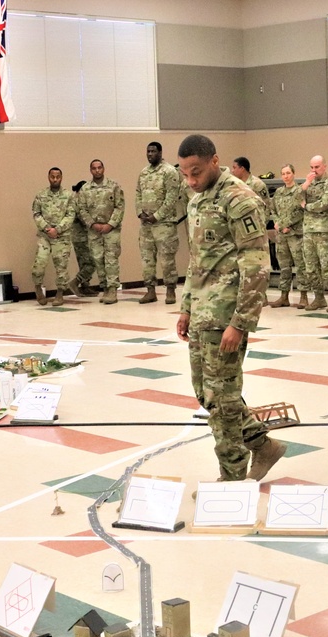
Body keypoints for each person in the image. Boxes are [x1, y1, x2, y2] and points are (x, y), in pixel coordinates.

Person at [175, 134, 286, 482]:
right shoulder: (196, 202)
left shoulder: (240, 200)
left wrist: (240, 323)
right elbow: (197, 261)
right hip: (203, 314)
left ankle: (232, 478)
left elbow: (256, 266)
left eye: (195, 172)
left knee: (222, 400)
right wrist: (187, 306)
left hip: (227, 314)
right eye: (184, 174)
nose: (190, 181)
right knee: (207, 395)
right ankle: (262, 444)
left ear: (214, 161)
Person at [136, 141, 183, 305]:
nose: (150, 154)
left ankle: (170, 290)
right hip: (146, 225)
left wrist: (157, 215)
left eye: (153, 151)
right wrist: (139, 212)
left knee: (167, 260)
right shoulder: (143, 173)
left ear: (160, 152)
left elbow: (171, 198)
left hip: (164, 224)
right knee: (147, 260)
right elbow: (138, 193)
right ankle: (150, 291)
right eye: (148, 151)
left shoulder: (169, 171)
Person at [78, 159, 125, 305]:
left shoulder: (114, 186)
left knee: (111, 259)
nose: (97, 170)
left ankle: (112, 289)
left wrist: (110, 224)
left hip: (111, 230)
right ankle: (104, 287)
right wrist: (92, 224)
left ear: (103, 169)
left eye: (99, 167)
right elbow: (82, 209)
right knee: (98, 260)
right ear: (90, 170)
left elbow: (120, 206)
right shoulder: (85, 189)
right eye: (94, 168)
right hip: (94, 231)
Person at [300, 155, 328, 312]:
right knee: (310, 267)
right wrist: (305, 185)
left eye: (317, 167)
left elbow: (324, 204)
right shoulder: (309, 183)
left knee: (327, 266)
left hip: (325, 231)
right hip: (308, 230)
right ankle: (318, 298)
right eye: (311, 167)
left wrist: (307, 207)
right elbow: (296, 199)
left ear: (324, 166)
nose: (314, 170)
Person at [31, 167, 76, 307]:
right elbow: (36, 213)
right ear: (48, 177)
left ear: (61, 178)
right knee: (39, 264)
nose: (55, 179)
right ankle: (38, 288)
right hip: (45, 236)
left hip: (61, 237)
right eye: (52, 177)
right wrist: (47, 228)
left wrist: (57, 229)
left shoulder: (68, 196)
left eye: (58, 177)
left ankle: (60, 294)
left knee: (61, 267)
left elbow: (70, 215)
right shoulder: (41, 195)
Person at [269, 164, 306, 308]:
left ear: (294, 174)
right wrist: (278, 223)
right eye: (283, 173)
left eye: (288, 173)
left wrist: (286, 224)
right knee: (284, 266)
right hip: (281, 235)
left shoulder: (299, 191)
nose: (286, 176)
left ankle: (303, 296)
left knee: (300, 265)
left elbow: (300, 211)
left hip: (295, 233)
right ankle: (284, 296)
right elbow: (273, 209)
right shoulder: (278, 192)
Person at [69, 180, 97, 296]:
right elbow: (84, 219)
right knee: (92, 263)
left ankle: (85, 287)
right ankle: (75, 282)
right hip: (81, 238)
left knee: (84, 263)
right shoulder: (78, 202)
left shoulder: (75, 199)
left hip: (80, 237)